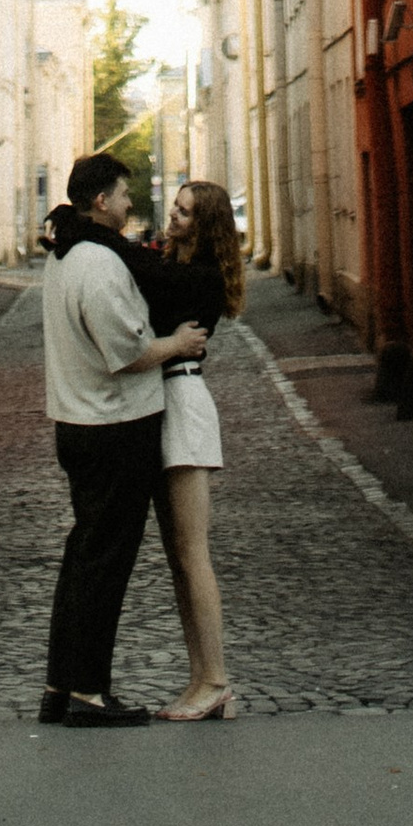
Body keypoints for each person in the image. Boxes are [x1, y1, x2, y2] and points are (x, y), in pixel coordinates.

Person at [38, 150, 209, 728]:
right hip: (112, 427)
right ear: (102, 201)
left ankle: (61, 684)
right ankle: (89, 692)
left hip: (78, 422)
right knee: (105, 562)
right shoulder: (99, 264)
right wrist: (179, 344)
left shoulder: (66, 256)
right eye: (123, 193)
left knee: (83, 554)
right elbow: (129, 353)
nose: (132, 203)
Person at [135, 178, 243, 722]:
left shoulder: (198, 278)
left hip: (183, 399)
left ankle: (217, 679)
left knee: (192, 552)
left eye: (184, 214)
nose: (173, 218)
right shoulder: (176, 265)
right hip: (167, 399)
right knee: (179, 557)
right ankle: (201, 678)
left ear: (205, 227)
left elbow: (151, 276)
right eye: (175, 209)